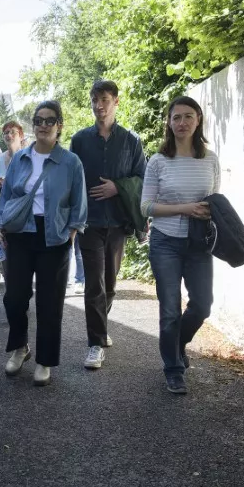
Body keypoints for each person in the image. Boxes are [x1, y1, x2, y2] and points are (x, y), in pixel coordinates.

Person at [0, 101, 87, 386]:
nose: (43, 125)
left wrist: (69, 236)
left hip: (54, 236)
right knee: (14, 297)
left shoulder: (71, 162)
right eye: (39, 120)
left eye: (50, 120)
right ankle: (20, 347)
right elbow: (6, 198)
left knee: (50, 301)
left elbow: (78, 205)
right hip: (20, 233)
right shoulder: (20, 158)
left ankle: (45, 359)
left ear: (59, 126)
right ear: (32, 126)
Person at [141, 96, 220, 395]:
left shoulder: (210, 159)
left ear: (198, 119)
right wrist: (186, 208)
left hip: (199, 243)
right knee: (170, 309)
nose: (182, 122)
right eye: (176, 118)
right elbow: (146, 207)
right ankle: (173, 368)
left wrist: (209, 210)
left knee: (202, 304)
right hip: (165, 243)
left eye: (188, 116)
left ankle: (178, 344)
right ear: (169, 123)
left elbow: (214, 200)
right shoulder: (159, 160)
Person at [70, 79, 146, 369]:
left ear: (116, 101)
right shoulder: (79, 140)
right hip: (88, 222)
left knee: (110, 284)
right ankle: (95, 343)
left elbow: (142, 178)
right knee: (94, 283)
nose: (98, 105)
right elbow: (72, 179)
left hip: (117, 223)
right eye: (94, 99)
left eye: (104, 99)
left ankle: (100, 325)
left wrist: (118, 187)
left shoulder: (131, 141)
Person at [0, 121, 24, 286]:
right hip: (2, 220)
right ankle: (12, 296)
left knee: (22, 265)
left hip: (23, 220)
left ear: (21, 136)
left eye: (13, 132)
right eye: (6, 133)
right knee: (6, 264)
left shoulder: (28, 157)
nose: (9, 135)